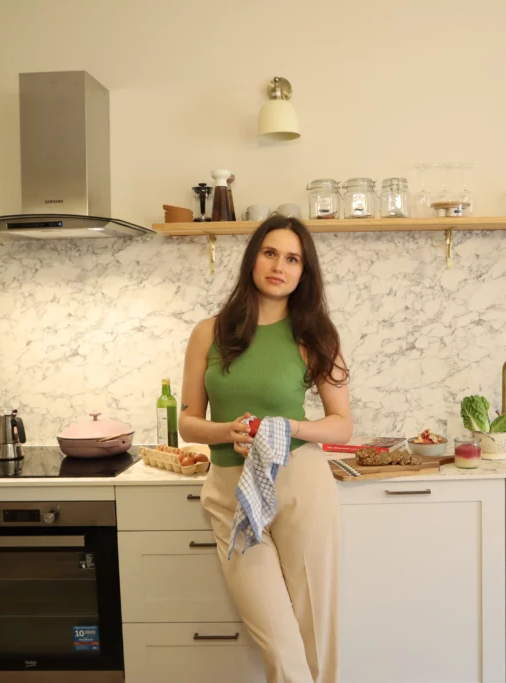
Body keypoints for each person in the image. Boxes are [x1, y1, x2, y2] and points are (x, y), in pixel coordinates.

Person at [178, 215, 353, 683]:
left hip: (301, 485)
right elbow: (188, 422)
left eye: (293, 259)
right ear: (253, 258)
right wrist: (225, 432)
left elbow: (342, 421)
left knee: (316, 630)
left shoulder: (315, 336)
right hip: (230, 493)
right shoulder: (208, 332)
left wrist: (290, 426)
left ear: (303, 272)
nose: (279, 266)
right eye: (270, 253)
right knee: (278, 640)